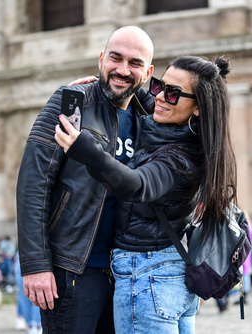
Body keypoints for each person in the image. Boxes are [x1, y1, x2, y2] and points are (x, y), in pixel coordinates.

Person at [56, 55, 236, 333]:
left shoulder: (179, 158)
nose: (161, 97)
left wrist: (84, 147)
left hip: (148, 277)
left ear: (198, 107)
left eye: (173, 92)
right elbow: (144, 95)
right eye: (159, 86)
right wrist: (108, 81)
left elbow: (137, 184)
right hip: (169, 277)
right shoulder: (179, 131)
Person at [16, 26, 154, 333]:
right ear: (101, 59)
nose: (122, 70)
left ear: (148, 72)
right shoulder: (73, 102)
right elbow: (34, 184)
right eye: (115, 58)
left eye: (135, 63)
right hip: (73, 267)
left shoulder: (150, 117)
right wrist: (36, 265)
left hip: (126, 271)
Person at [14, 252, 42, 334]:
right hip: (36, 252)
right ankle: (36, 323)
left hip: (23, 252)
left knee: (25, 291)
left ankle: (33, 323)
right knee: (30, 291)